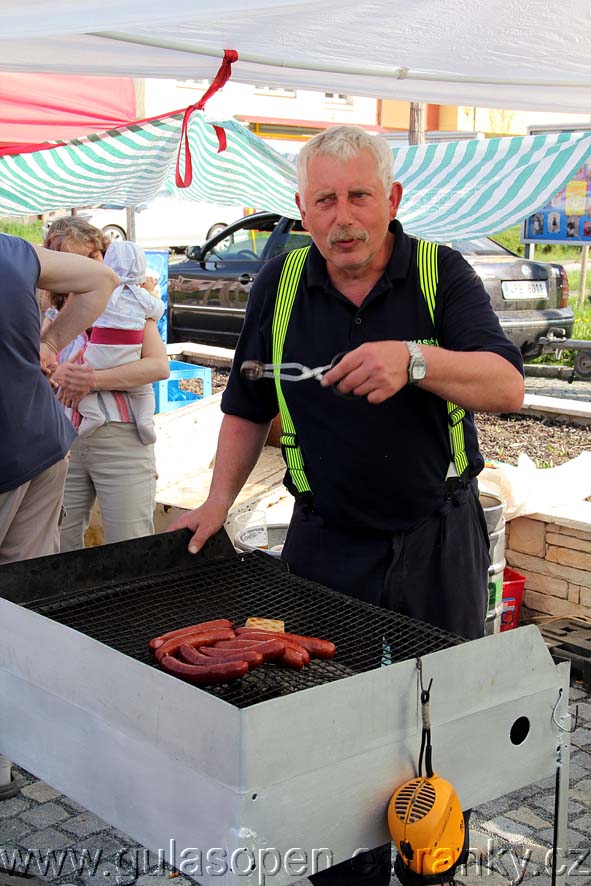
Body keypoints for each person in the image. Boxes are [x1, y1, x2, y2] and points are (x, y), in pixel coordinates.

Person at [170, 125, 525, 885]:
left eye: (359, 196)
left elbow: (505, 384)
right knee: (324, 719)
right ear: (301, 209)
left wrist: (414, 359)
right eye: (324, 200)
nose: (343, 217)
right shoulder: (282, 281)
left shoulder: (439, 272)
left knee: (438, 715)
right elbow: (246, 399)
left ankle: (431, 865)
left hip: (438, 536)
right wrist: (214, 503)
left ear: (390, 200)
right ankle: (343, 868)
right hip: (325, 539)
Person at [0, 232, 118, 798]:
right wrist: (46, 343)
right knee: (22, 602)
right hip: (42, 441)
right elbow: (102, 281)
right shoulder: (11, 253)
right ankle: (15, 747)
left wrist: (46, 340)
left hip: (10, 455)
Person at [43, 218, 170, 551]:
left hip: (121, 439)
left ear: (103, 255)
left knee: (130, 548)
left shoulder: (132, 308)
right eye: (65, 259)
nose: (82, 268)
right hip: (64, 442)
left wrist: (92, 380)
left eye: (89, 257)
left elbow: (158, 366)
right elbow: (39, 369)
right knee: (58, 546)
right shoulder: (54, 316)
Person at [74, 240, 164, 443]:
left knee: (82, 387)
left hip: (98, 355)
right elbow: (157, 310)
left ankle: (93, 414)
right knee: (143, 391)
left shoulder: (100, 295)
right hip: (129, 356)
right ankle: (145, 420)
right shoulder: (142, 297)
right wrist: (149, 292)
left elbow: (87, 318)